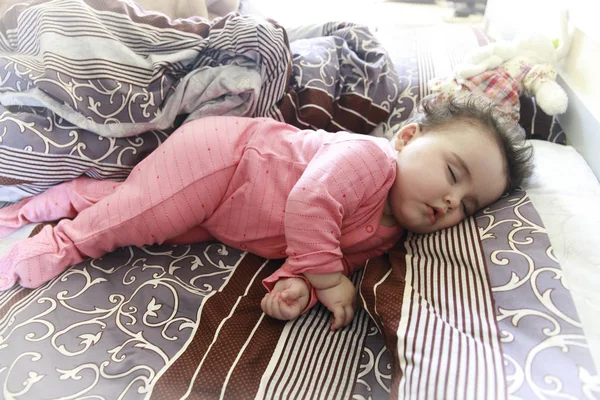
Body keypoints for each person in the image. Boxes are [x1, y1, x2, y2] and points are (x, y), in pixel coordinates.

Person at [0, 95, 533, 330]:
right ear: (408, 138)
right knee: (142, 217)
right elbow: (311, 202)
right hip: (224, 160)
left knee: (156, 222)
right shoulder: (372, 159)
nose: (449, 203)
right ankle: (54, 246)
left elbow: (317, 248)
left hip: (224, 214)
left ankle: (72, 196)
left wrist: (296, 284)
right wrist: (327, 280)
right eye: (453, 174)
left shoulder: (389, 238)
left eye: (467, 206)